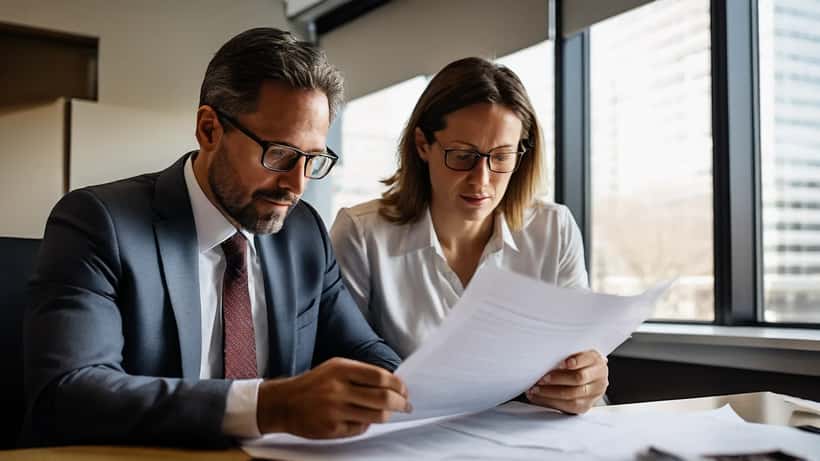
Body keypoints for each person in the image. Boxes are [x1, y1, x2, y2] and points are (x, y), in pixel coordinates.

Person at [22, 28, 411, 448]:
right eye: (279, 154)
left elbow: (365, 350)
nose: (296, 185)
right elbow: (69, 392)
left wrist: (410, 389)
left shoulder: (303, 233)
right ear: (209, 129)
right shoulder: (99, 223)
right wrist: (270, 406)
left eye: (312, 159)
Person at [330, 57, 608, 415]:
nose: (481, 179)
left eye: (501, 157)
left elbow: (579, 351)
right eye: (462, 156)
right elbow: (339, 364)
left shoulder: (553, 229)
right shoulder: (361, 234)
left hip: (531, 437)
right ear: (422, 145)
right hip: (411, 438)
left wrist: (586, 379)